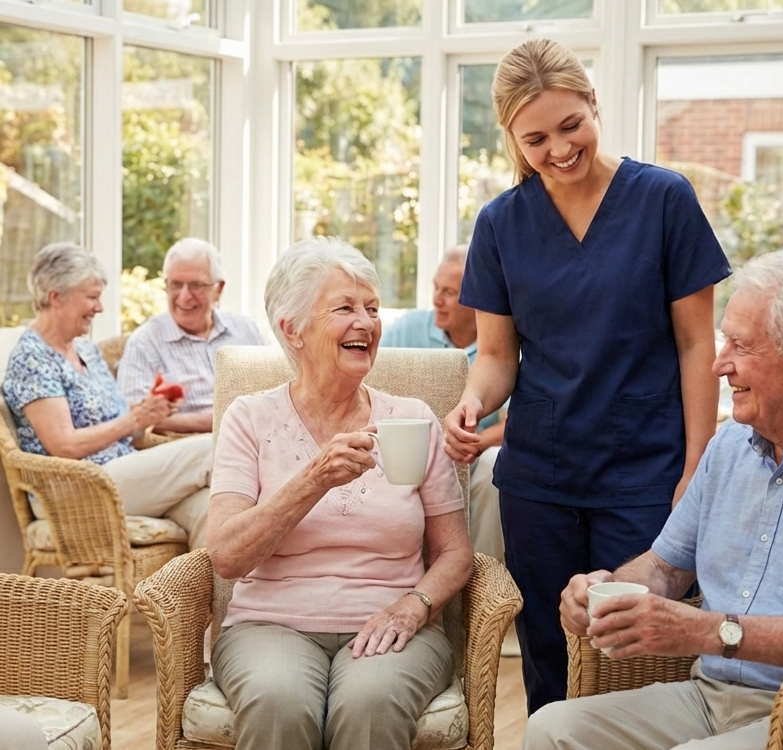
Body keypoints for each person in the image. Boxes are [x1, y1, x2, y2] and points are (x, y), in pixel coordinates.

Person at [443, 38, 731, 713]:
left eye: (570, 124)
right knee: (546, 647)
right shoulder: (499, 225)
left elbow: (696, 345)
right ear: (512, 137)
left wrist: (694, 465)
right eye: (535, 137)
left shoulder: (662, 200)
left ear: (594, 103)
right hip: (539, 477)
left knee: (639, 645)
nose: (559, 148)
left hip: (644, 469)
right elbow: (495, 356)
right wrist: (470, 403)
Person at [526, 248, 783, 750]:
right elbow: (666, 570)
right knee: (551, 729)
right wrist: (605, 589)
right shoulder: (730, 445)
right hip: (708, 695)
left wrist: (713, 632)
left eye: (740, 345)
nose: (719, 364)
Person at [207, 237, 473, 750]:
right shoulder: (251, 418)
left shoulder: (412, 419)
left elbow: (456, 552)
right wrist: (313, 479)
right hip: (269, 625)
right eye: (345, 308)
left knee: (369, 706)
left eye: (372, 309)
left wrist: (414, 608)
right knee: (278, 701)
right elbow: (227, 555)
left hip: (394, 627)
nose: (366, 323)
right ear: (293, 329)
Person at [2, 243, 212, 548]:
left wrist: (150, 413)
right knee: (215, 448)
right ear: (55, 297)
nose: (99, 308)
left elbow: (129, 434)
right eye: (92, 297)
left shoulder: (86, 350)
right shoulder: (33, 359)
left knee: (210, 507)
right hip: (75, 487)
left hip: (120, 473)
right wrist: (133, 419)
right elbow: (64, 445)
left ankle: (202, 596)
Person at [382, 244, 507, 561]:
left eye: (449, 292)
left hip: (472, 454)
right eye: (436, 288)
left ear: (476, 299)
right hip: (407, 451)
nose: (437, 299)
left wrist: (469, 442)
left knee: (497, 465)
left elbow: (511, 424)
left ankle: (481, 571)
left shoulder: (503, 343)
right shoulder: (408, 329)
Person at [116, 237, 264, 434]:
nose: (184, 296)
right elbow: (133, 418)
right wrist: (220, 422)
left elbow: (277, 392)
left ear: (218, 289)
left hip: (258, 438)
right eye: (176, 285)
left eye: (196, 285)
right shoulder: (145, 342)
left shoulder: (245, 329)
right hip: (189, 446)